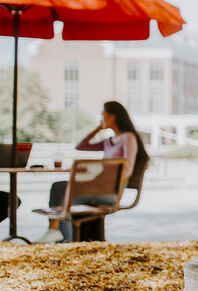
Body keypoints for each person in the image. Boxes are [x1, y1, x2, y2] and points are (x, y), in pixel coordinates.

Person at [36, 101, 149, 243]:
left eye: (103, 115)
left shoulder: (128, 138)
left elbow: (127, 170)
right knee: (61, 189)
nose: (101, 118)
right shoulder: (109, 141)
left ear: (111, 116)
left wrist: (103, 180)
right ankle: (61, 237)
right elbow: (80, 146)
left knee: (62, 190)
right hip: (98, 187)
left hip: (110, 191)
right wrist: (97, 129)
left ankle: (60, 236)